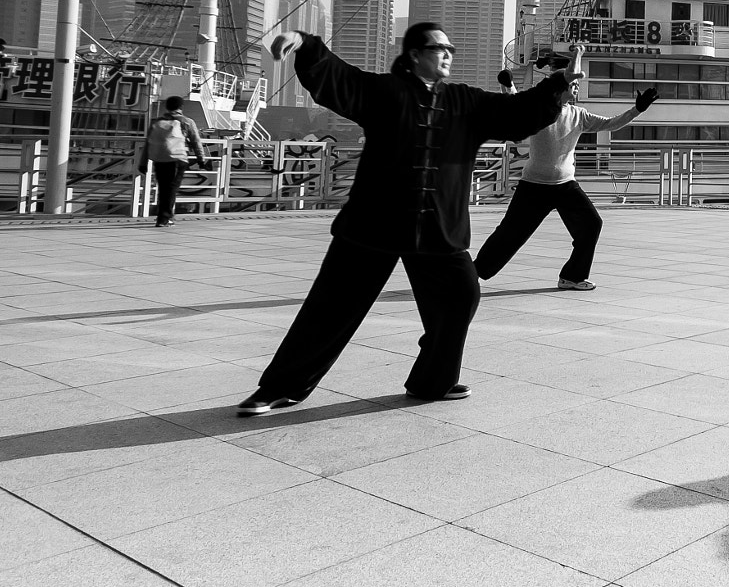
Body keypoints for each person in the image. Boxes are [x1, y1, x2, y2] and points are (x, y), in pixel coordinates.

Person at [234, 23, 572, 417]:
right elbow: (339, 79)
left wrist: (556, 84)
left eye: (450, 48)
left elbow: (515, 114)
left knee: (461, 296)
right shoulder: (384, 92)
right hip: (372, 224)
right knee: (330, 309)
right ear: (414, 54)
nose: (446, 54)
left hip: (436, 227)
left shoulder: (466, 102)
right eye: (437, 48)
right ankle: (278, 389)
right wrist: (304, 44)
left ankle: (432, 381)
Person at [475, 56, 657, 290]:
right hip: (534, 186)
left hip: (565, 186)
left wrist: (637, 110)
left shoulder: (579, 115)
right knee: (510, 234)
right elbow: (516, 108)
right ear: (560, 87)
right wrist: (507, 86)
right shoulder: (539, 110)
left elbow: (610, 124)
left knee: (591, 224)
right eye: (573, 84)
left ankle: (572, 276)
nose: (577, 87)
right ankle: (474, 272)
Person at [143, 96, 206, 227]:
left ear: (167, 107)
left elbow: (147, 143)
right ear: (181, 107)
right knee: (171, 189)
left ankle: (162, 217)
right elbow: (196, 141)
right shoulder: (187, 122)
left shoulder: (156, 122)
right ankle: (164, 219)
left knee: (163, 188)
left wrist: (143, 163)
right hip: (178, 159)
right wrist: (201, 159)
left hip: (159, 159)